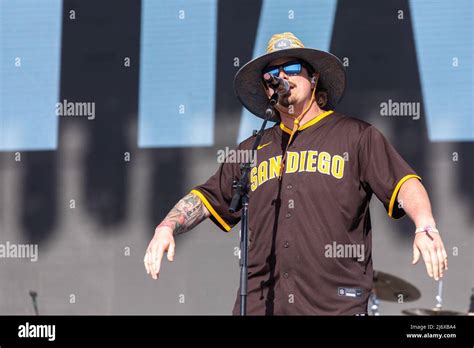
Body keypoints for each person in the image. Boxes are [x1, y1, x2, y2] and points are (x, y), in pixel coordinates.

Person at [144, 32, 448, 315]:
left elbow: (404, 182)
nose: (281, 78)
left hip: (334, 307)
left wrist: (424, 225)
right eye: (271, 75)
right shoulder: (253, 148)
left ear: (313, 77)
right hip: (261, 305)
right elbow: (207, 196)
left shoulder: (355, 135)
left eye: (291, 67)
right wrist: (166, 227)